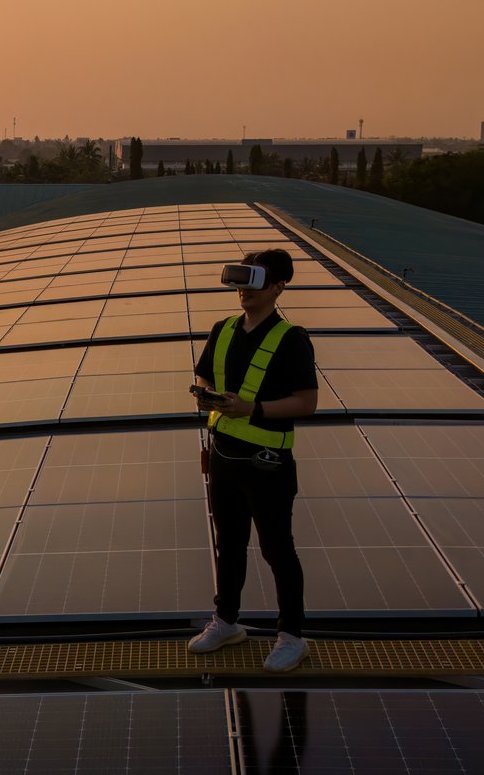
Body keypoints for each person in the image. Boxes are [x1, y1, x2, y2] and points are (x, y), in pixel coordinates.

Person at [187, 247, 319, 671]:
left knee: (277, 549)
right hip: (223, 457)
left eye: (255, 280)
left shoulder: (292, 339)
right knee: (228, 545)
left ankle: (292, 637)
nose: (244, 289)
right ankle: (226, 622)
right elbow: (204, 372)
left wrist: (252, 409)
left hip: (268, 463)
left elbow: (307, 402)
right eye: (241, 279)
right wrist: (206, 393)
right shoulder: (222, 329)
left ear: (278, 286)